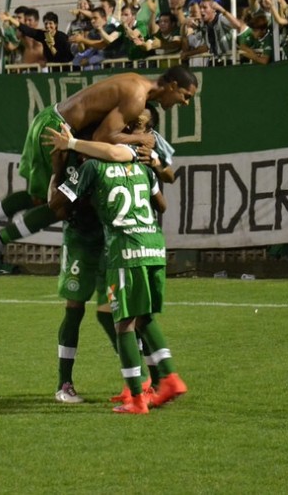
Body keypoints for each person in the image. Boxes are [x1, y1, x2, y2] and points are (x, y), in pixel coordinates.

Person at [0, 66, 198, 278]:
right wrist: (141, 138)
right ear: (173, 85)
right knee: (61, 204)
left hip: (54, 122)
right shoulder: (137, 97)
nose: (185, 103)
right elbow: (105, 137)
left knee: (41, 198)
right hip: (59, 131)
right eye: (185, 96)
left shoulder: (137, 83)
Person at [46, 122, 188, 415]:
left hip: (125, 250)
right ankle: (169, 378)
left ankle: (136, 397)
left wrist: (59, 167)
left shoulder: (92, 169)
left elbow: (57, 206)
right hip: (154, 246)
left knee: (123, 322)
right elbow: (161, 204)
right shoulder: (143, 165)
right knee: (145, 318)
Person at [0, 11, 73, 64]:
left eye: (50, 23)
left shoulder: (62, 37)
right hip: (51, 70)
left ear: (56, 24)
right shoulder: (43, 35)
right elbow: (27, 30)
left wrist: (51, 47)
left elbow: (65, 57)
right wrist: (10, 19)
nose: (48, 26)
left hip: (64, 69)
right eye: (46, 23)